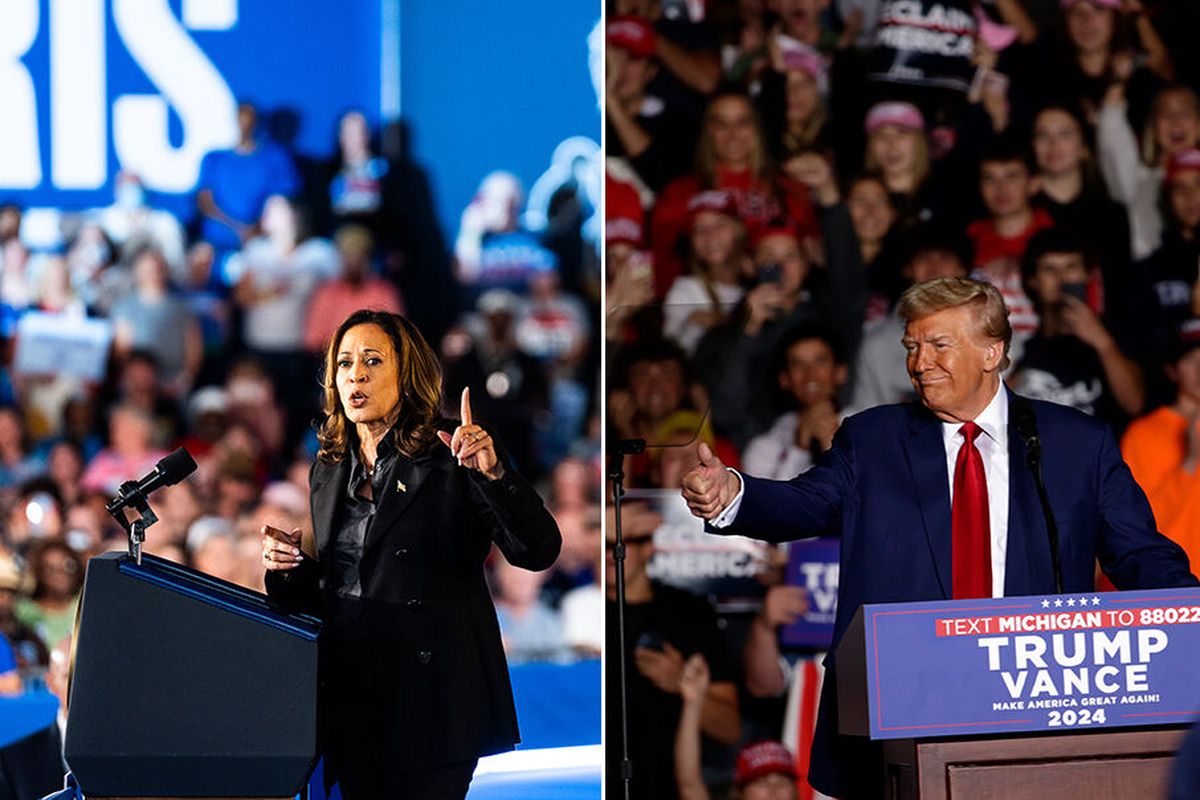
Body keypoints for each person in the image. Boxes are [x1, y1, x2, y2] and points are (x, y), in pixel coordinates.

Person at [681, 277, 1197, 798]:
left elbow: (1141, 554)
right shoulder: (873, 440)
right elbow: (803, 503)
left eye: (939, 345)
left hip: (1034, 711)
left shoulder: (1075, 443)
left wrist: (1191, 616)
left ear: (992, 352)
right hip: (898, 718)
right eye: (912, 346)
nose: (919, 362)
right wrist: (732, 494)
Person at [260, 309, 560, 800]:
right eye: (344, 363)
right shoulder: (329, 464)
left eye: (373, 361)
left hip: (433, 701)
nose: (356, 373)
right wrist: (286, 567)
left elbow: (538, 550)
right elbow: (337, 590)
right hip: (353, 702)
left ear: (407, 373)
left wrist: (491, 476)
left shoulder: (452, 449)